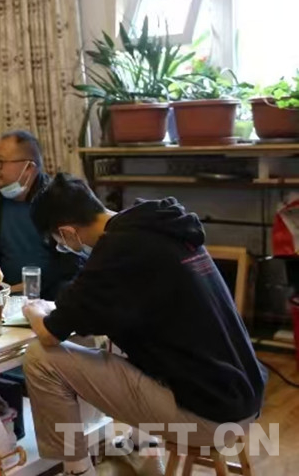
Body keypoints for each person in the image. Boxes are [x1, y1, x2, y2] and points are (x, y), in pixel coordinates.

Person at [23, 174, 266, 476]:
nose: (64, 247)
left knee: (40, 358)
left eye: (59, 243)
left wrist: (34, 309)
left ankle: (78, 470)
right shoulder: (158, 225)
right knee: (118, 337)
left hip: (209, 417)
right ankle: (144, 452)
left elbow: (49, 333)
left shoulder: (115, 253)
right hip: (244, 395)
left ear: (67, 232)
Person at [0, 130, 81, 299]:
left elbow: (71, 266)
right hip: (1, 295)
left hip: (52, 295)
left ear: (28, 168)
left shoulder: (58, 200)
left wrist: (27, 288)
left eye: (0, 162)